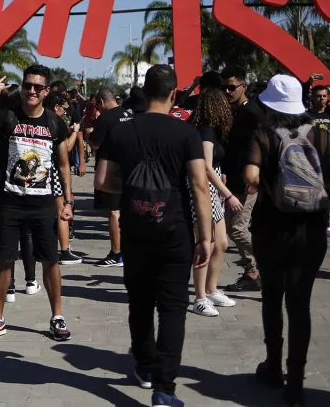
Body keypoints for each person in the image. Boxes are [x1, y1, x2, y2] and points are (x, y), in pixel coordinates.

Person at [95, 65, 212, 407]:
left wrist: (131, 188)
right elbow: (199, 185)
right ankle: (164, 389)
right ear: (174, 94)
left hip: (134, 228)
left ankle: (144, 368)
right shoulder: (185, 132)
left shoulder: (121, 130)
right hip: (175, 229)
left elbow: (102, 180)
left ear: (144, 93)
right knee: (173, 307)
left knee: (140, 301)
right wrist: (205, 236)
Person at [244, 74, 330, 406]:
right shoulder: (320, 135)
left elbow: (250, 176)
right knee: (300, 304)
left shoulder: (261, 135)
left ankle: (273, 367)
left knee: (272, 298)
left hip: (271, 228)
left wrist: (264, 182)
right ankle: (296, 380)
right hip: (312, 229)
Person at [0, 64, 75, 342]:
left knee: (51, 262)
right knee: (3, 260)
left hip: (43, 204)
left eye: (37, 87)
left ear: (46, 91)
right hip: (11, 203)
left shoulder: (55, 122)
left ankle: (57, 316)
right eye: (27, 85)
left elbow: (64, 165)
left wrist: (67, 200)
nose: (31, 91)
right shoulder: (7, 117)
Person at [0, 84, 39, 300]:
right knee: (26, 232)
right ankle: (31, 281)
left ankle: (10, 286)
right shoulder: (23, 123)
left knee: (4, 236)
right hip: (19, 183)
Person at [188, 87, 239, 317]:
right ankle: (199, 297)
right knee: (205, 244)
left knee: (221, 243)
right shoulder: (205, 130)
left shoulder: (211, 130)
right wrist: (227, 193)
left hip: (213, 187)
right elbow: (206, 167)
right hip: (204, 188)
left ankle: (211, 289)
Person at [220, 65, 265, 292]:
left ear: (242, 87)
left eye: (231, 88)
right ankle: (252, 271)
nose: (227, 92)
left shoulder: (253, 113)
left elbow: (261, 147)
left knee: (237, 229)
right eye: (224, 88)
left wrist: (255, 177)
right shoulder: (232, 112)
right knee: (231, 228)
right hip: (233, 181)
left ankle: (268, 263)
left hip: (247, 182)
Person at [87, 87, 131, 268]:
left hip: (111, 170)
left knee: (113, 212)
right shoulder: (129, 115)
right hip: (131, 169)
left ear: (102, 102)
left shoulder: (104, 118)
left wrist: (88, 132)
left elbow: (95, 144)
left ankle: (116, 253)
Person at [49, 93, 82, 265]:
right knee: (62, 209)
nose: (65, 113)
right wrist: (75, 132)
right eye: (64, 109)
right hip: (54, 171)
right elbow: (67, 147)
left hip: (38, 173)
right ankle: (64, 250)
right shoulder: (56, 121)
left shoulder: (39, 118)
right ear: (56, 107)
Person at [308, 84, 330, 239]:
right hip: (311, 161)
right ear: (312, 97)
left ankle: (325, 224)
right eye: (317, 96)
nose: (321, 99)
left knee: (327, 194)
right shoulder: (306, 116)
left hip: (329, 162)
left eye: (323, 96)